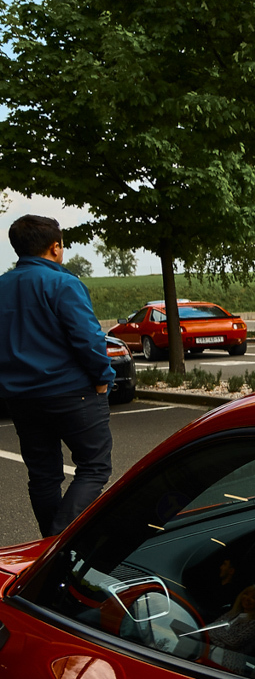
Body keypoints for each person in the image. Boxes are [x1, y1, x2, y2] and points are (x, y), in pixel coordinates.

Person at [0, 215, 114, 536]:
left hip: (21, 399)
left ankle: (50, 542)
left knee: (42, 476)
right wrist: (103, 377)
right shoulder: (63, 284)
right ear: (55, 247)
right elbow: (88, 339)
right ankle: (60, 542)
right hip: (73, 392)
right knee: (95, 467)